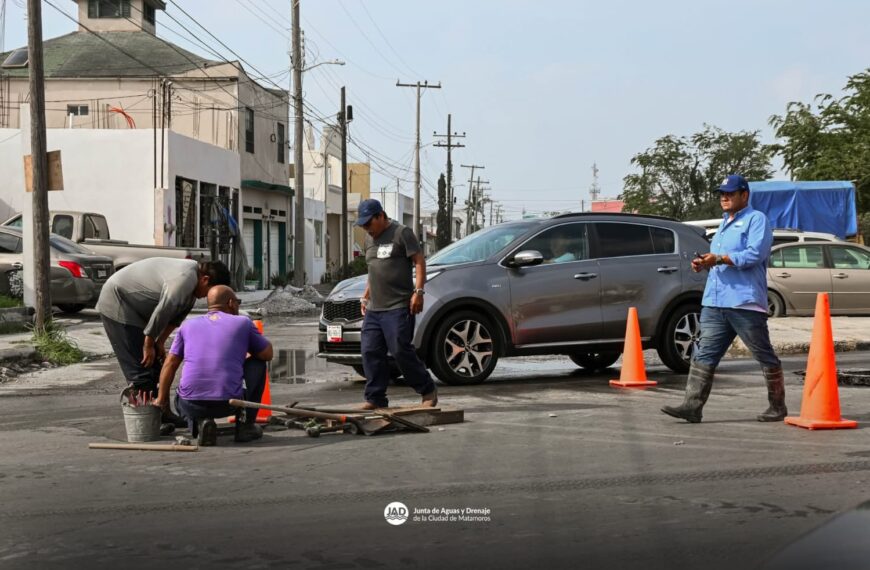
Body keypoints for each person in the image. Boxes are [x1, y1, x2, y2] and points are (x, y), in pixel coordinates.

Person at [661, 174, 786, 424]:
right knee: (704, 354)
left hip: (744, 302)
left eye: (730, 193)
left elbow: (754, 255)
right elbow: (720, 261)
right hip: (715, 302)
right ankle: (692, 406)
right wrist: (705, 263)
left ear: (744, 195)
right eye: (722, 194)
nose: (724, 197)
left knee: (763, 354)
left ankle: (777, 406)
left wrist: (718, 259)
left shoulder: (756, 220)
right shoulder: (723, 226)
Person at [97, 258, 232, 425]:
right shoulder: (184, 280)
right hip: (118, 301)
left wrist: (159, 342)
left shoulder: (192, 289)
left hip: (138, 311)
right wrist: (148, 344)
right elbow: (164, 310)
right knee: (142, 368)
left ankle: (163, 413)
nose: (208, 297)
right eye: (210, 291)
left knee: (157, 366)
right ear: (205, 279)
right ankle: (149, 422)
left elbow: (176, 318)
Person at [153, 285, 273, 445]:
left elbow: (170, 364)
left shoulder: (187, 326)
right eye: (238, 302)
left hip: (191, 404)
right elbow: (267, 354)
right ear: (231, 303)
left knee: (181, 397)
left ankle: (200, 424)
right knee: (258, 364)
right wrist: (241, 353)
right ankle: (246, 426)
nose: (238, 306)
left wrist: (161, 400)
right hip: (229, 404)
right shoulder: (243, 323)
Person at [356, 198, 438, 410]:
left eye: (368, 223)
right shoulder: (368, 239)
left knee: (401, 351)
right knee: (370, 351)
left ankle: (427, 390)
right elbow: (373, 270)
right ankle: (375, 398)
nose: (366, 229)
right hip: (375, 308)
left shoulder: (402, 233)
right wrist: (366, 295)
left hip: (398, 306)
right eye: (363, 225)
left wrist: (418, 292)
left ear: (380, 216)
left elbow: (419, 262)